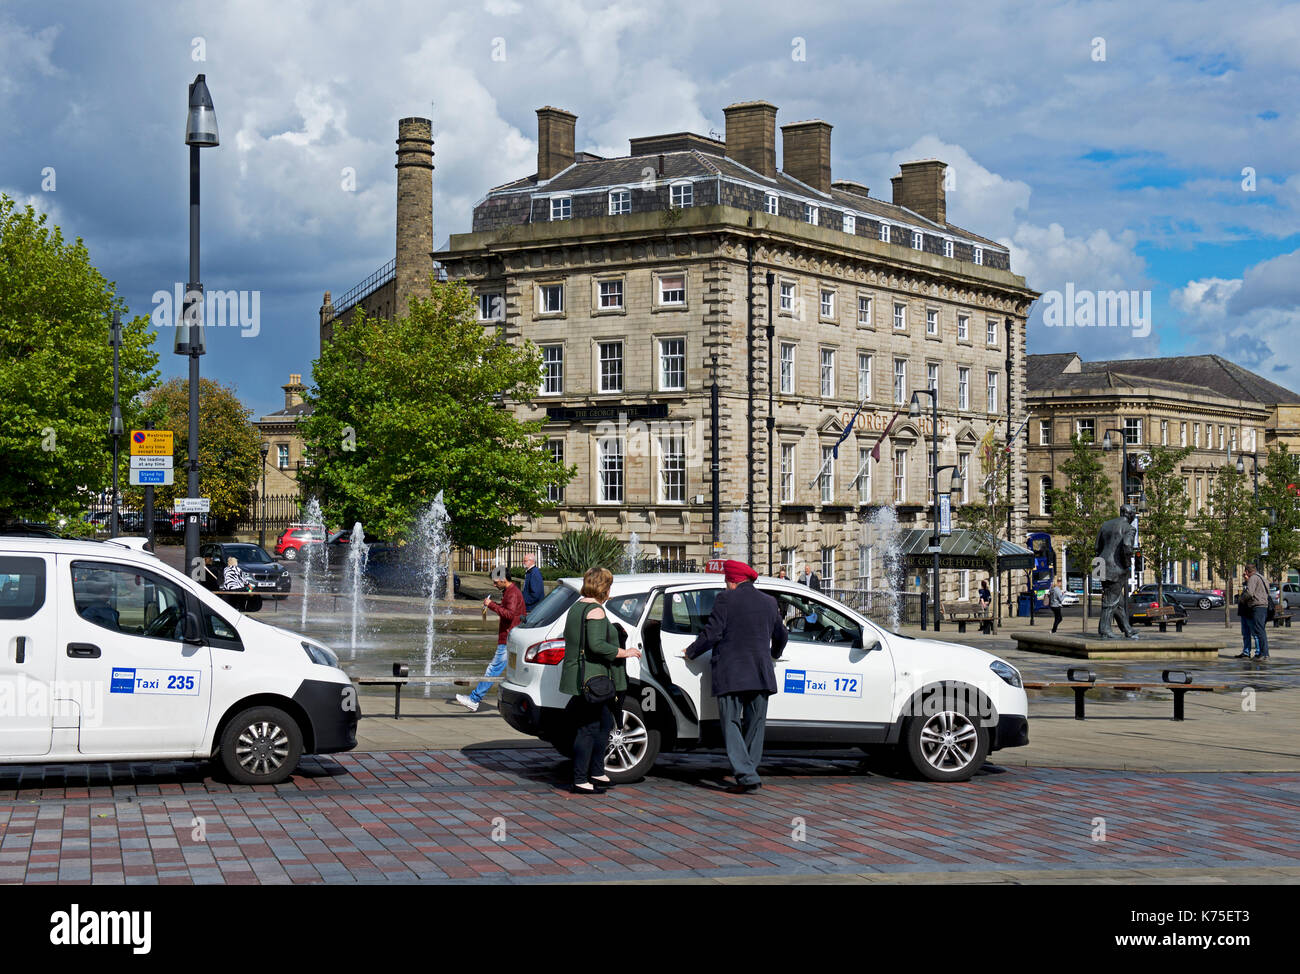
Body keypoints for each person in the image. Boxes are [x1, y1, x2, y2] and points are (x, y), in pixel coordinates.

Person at [683, 560, 788, 794]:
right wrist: (774, 654)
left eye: (725, 581)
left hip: (731, 672)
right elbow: (782, 634)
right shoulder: (769, 602)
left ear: (732, 580)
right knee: (755, 725)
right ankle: (747, 773)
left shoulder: (725, 599)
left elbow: (712, 633)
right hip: (761, 672)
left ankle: (747, 774)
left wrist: (691, 651)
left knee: (730, 724)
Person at [558, 567, 641, 794]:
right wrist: (626, 652)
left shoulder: (576, 607)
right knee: (589, 728)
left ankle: (596, 772)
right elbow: (597, 645)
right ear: (603, 587)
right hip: (592, 678)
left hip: (580, 674)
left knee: (604, 723)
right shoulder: (595, 610)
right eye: (609, 585)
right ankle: (579, 780)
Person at [456, 566, 526, 712]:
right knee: (514, 672)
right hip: (511, 636)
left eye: (495, 582)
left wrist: (491, 605)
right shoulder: (510, 591)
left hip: (508, 637)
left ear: (503, 580)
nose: (494, 585)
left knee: (493, 669)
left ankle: (474, 699)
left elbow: (509, 615)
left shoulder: (512, 593)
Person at [1241, 564, 1270, 660]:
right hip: (1264, 606)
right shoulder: (1262, 577)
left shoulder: (1253, 578)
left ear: (1248, 571)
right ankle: (1265, 653)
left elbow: (1249, 592)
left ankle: (1262, 654)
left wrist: (1242, 599)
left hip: (1257, 606)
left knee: (1259, 630)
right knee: (1261, 630)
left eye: (1245, 571)